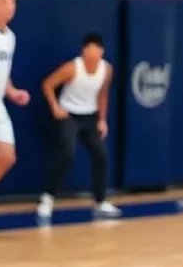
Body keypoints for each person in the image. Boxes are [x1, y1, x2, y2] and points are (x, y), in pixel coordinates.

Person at [38, 33, 122, 222]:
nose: (93, 53)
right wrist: (55, 107)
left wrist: (102, 120)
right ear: (83, 51)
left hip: (90, 117)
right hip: (69, 115)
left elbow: (102, 95)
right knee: (68, 151)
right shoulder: (71, 68)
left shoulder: (106, 70)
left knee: (101, 154)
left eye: (97, 49)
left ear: (102, 51)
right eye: (89, 49)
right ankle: (47, 198)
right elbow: (48, 84)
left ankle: (100, 201)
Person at [0, 0, 29, 217]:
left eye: (13, 2)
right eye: (4, 2)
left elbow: (2, 73)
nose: (9, 7)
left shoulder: (10, 38)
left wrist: (12, 92)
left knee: (6, 157)